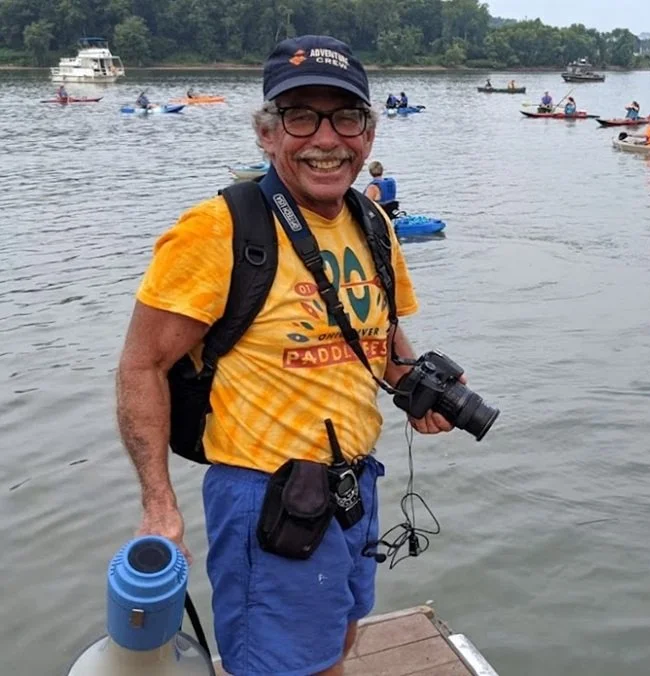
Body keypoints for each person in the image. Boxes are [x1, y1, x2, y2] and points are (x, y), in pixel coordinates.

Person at [115, 35, 459, 676]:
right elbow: (142, 366)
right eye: (302, 116)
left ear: (369, 134)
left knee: (341, 639)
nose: (326, 138)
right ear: (267, 134)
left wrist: (416, 386)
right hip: (264, 499)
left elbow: (380, 335)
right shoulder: (216, 231)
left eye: (346, 116)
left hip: (357, 486)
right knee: (283, 666)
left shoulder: (373, 223)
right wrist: (158, 505)